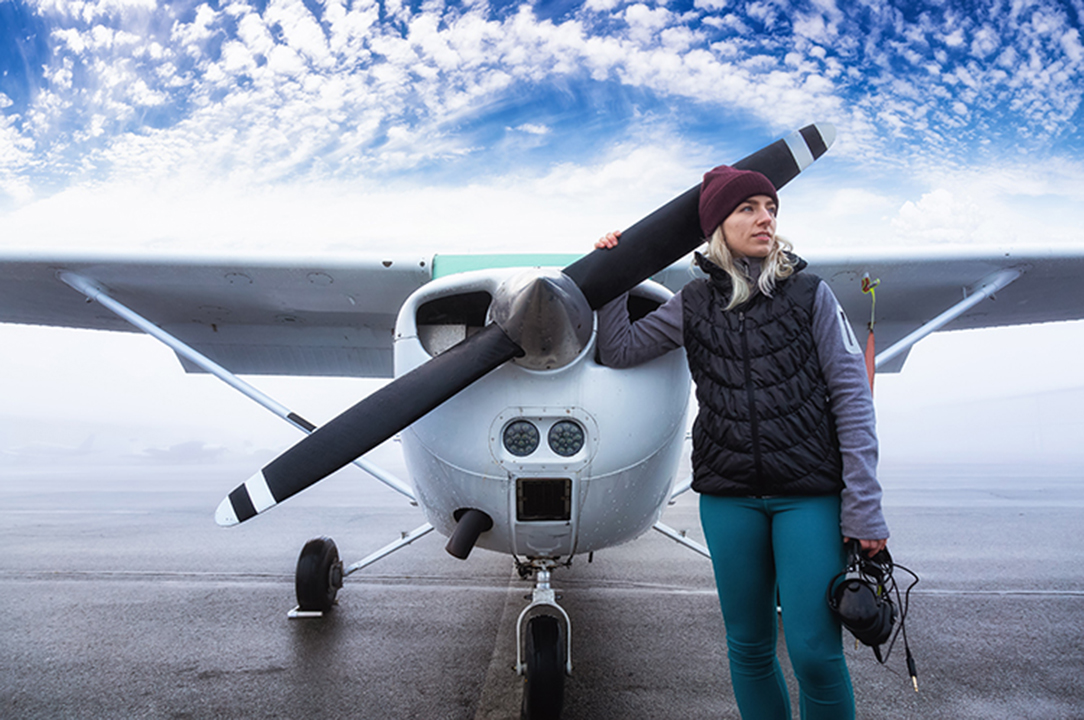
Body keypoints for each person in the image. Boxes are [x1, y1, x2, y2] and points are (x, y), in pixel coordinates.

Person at [594, 165, 889, 720]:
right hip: (729, 499)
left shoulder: (810, 294)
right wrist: (616, 270)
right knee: (749, 649)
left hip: (808, 498)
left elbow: (853, 399)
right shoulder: (693, 302)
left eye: (770, 207)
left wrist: (864, 508)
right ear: (717, 226)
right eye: (747, 208)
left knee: (816, 654)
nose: (765, 218)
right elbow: (620, 349)